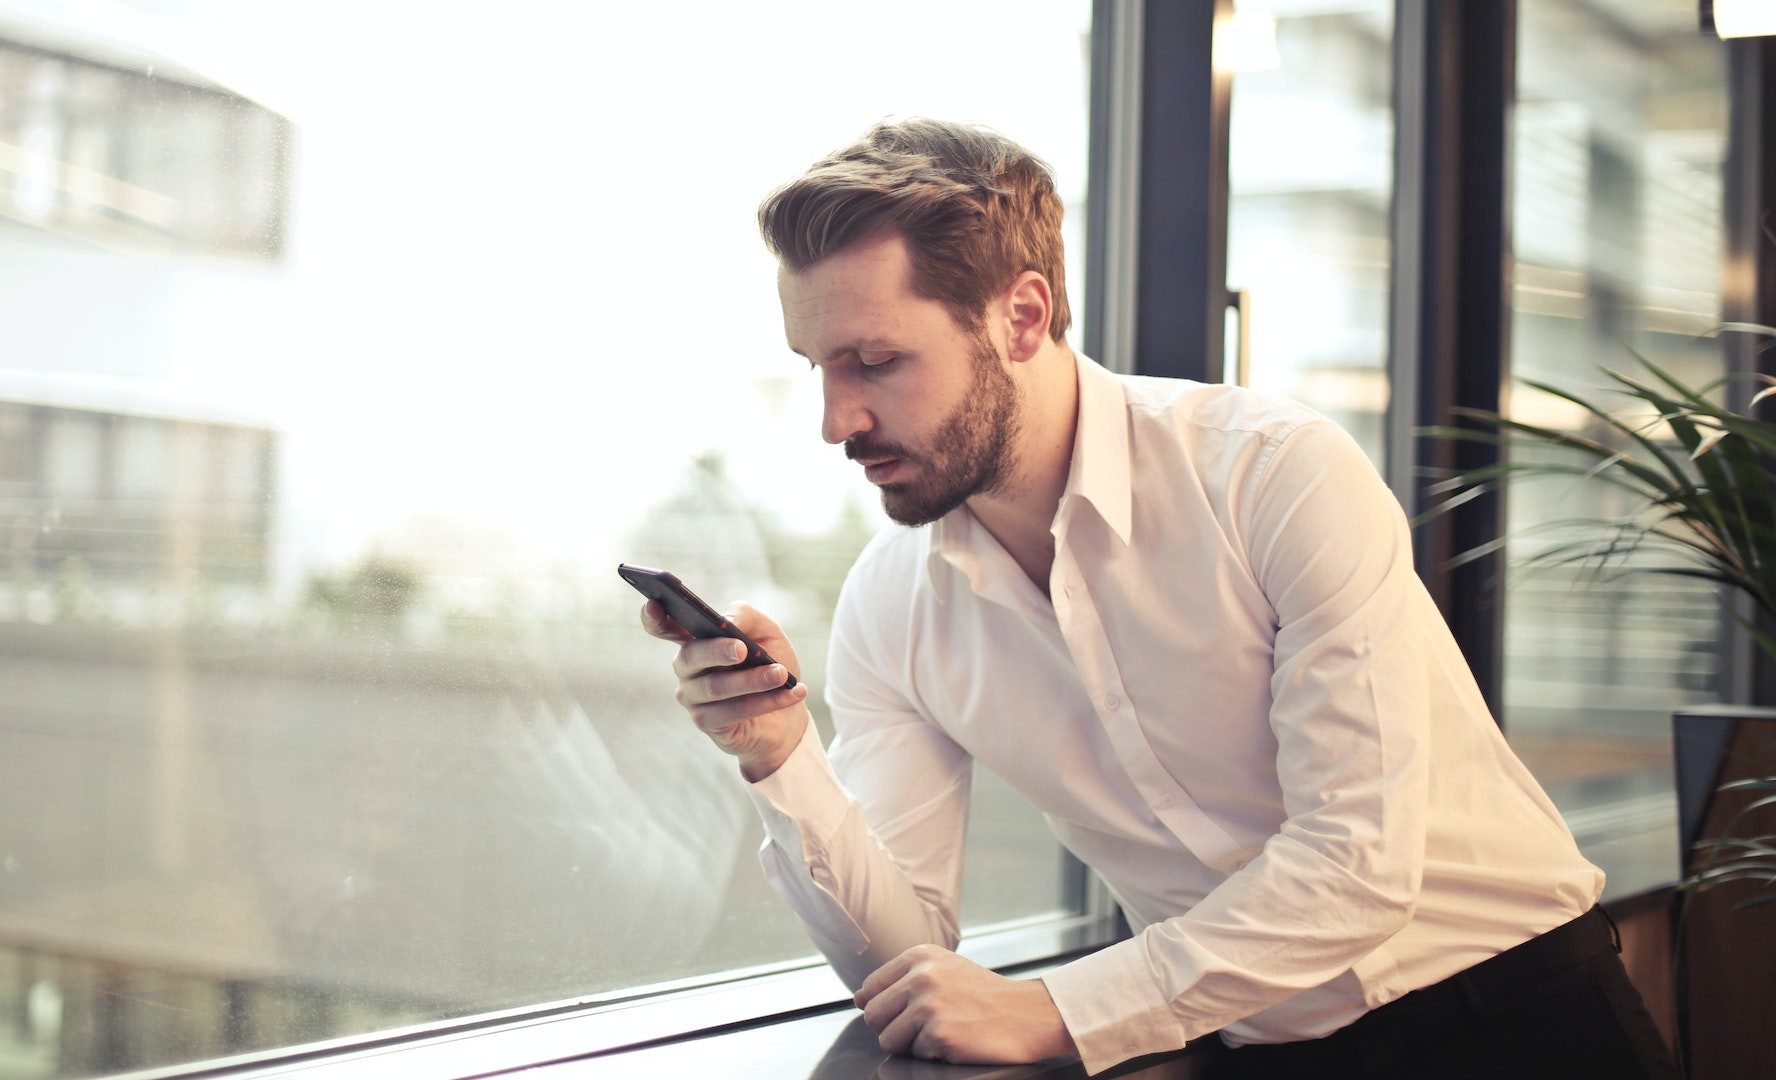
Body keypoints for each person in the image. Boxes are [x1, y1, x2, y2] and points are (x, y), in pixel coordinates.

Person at [637, 118, 1679, 1079]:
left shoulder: (1275, 474)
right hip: (1245, 1051)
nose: (834, 420)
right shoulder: (891, 608)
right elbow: (908, 968)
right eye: (819, 366)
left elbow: (1357, 866)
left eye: (875, 361)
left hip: (1518, 1020)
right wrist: (781, 760)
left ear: (1022, 315)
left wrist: (1062, 1008)